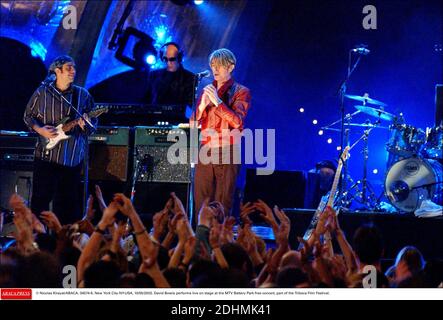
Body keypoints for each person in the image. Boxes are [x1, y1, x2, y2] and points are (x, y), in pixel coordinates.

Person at [23, 55, 96, 224]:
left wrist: (86, 125)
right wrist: (40, 129)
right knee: (39, 207)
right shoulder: (42, 92)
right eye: (69, 67)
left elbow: (92, 127)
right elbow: (28, 117)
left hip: (71, 161)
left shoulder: (82, 95)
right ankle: (37, 245)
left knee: (67, 211)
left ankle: (64, 246)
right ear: (57, 71)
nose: (73, 71)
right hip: (46, 159)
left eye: (74, 67)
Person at [192, 48, 251, 216]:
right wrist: (202, 105)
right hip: (206, 149)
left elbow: (237, 122)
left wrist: (217, 102)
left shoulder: (241, 91)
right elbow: (193, 124)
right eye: (212, 65)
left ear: (231, 67)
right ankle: (200, 238)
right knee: (201, 200)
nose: (215, 69)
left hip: (228, 149)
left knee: (222, 201)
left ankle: (220, 239)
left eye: (219, 65)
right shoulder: (207, 91)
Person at [145, 42, 194, 118]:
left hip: (177, 121)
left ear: (179, 58)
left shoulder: (190, 78)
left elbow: (190, 106)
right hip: (153, 119)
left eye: (172, 59)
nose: (168, 63)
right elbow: (146, 100)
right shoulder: (154, 75)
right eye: (165, 59)